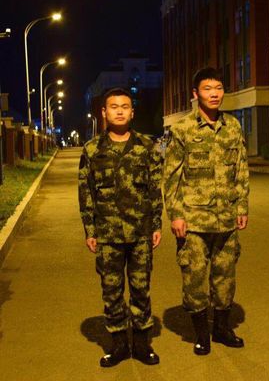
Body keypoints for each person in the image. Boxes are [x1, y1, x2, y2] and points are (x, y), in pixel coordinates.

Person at [163, 67, 249, 356]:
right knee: (195, 278)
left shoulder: (233, 126)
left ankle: (222, 329)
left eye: (219, 88)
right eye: (208, 88)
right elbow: (171, 177)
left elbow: (241, 169)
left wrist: (242, 206)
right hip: (194, 221)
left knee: (225, 277)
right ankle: (201, 334)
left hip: (226, 219)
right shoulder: (182, 129)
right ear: (195, 94)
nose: (214, 94)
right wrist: (176, 214)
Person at [78, 88, 163, 367]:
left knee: (141, 288)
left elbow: (155, 190)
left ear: (132, 112)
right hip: (107, 234)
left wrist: (156, 225)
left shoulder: (147, 147)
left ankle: (141, 344)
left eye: (125, 106)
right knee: (111, 290)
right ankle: (118, 344)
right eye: (113, 106)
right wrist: (90, 230)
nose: (119, 111)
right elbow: (86, 193)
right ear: (104, 112)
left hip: (140, 233)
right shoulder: (92, 149)